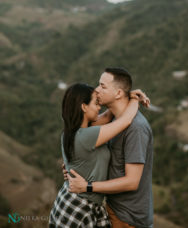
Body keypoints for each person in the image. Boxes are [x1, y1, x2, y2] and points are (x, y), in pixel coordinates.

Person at [49, 81, 148, 228]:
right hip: (79, 207)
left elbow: (108, 116)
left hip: (78, 202)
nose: (99, 107)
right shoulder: (86, 136)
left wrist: (125, 97)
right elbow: (125, 121)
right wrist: (134, 100)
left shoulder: (72, 132)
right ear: (84, 107)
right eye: (95, 103)